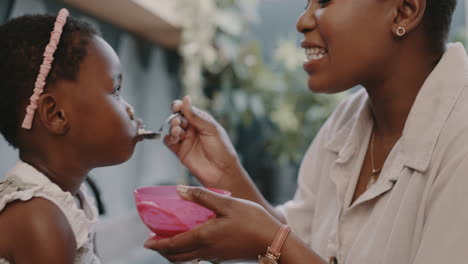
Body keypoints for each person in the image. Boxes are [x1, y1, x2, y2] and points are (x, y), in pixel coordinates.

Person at [145, 0, 468, 263]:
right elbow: (305, 241)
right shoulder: (348, 120)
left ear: (404, 11)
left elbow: (286, 245)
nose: (302, 20)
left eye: (325, 1)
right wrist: (228, 175)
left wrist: (274, 243)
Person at [0, 9, 147, 264]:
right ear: (56, 115)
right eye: (115, 91)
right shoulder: (41, 218)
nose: (129, 108)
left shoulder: (67, 200)